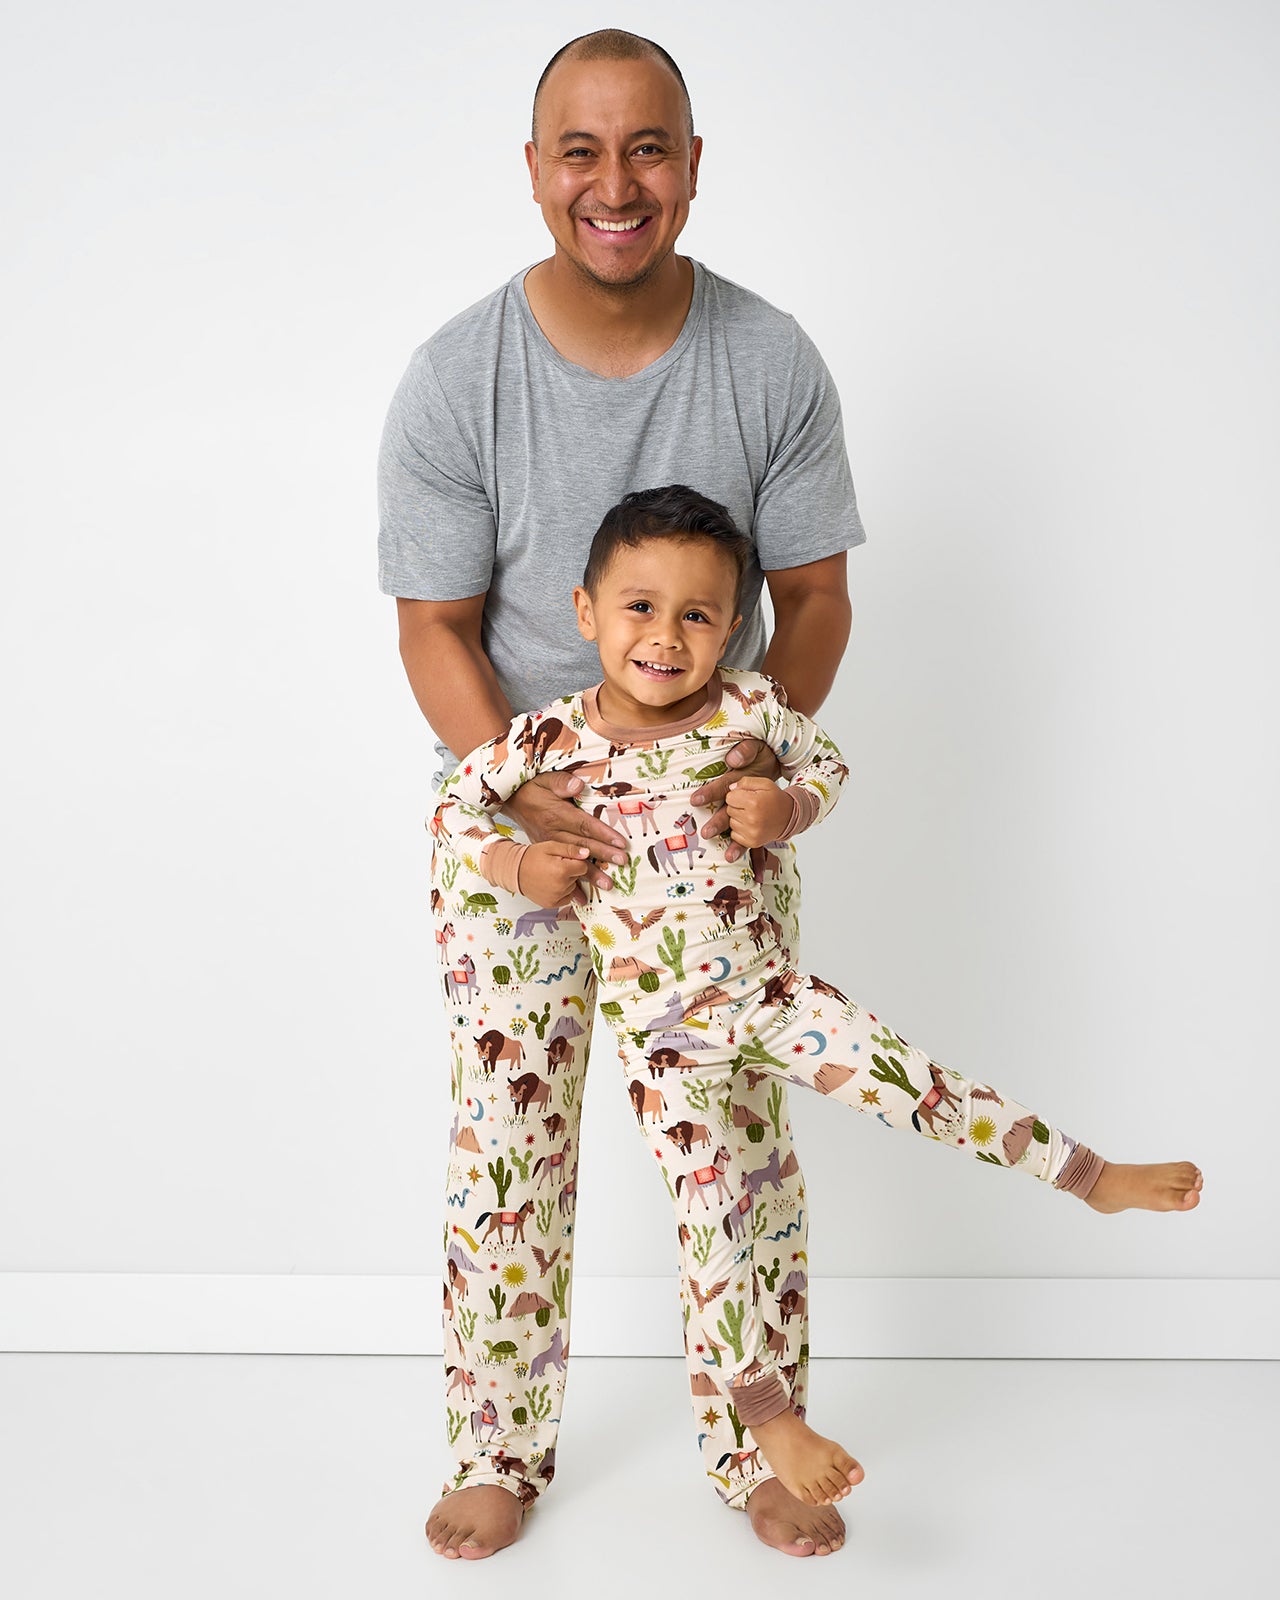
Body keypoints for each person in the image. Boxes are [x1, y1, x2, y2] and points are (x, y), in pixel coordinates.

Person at [430, 485, 1203, 1522]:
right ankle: (768, 1424)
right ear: (583, 611)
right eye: (638, 609)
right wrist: (517, 863)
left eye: (697, 615)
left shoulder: (750, 711)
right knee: (714, 1228)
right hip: (667, 1050)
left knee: (911, 1081)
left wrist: (783, 804)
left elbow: (826, 764)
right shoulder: (545, 739)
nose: (665, 636)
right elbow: (452, 803)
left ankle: (1085, 1172)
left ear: (733, 627)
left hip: (772, 995)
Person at [379, 28, 865, 1560]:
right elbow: (435, 628)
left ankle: (761, 1445)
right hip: (516, 828)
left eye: (646, 148)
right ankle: (498, 1446)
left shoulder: (769, 358)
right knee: (508, 1153)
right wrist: (527, 813)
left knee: (734, 1153)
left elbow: (818, 599)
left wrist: (756, 769)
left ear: (694, 166)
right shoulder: (459, 374)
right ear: (534, 173)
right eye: (580, 152)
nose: (615, 183)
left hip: (710, 836)